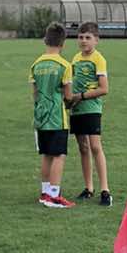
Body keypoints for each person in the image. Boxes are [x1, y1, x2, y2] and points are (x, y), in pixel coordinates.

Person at [31, 23, 75, 208]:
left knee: (46, 154)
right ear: (63, 43)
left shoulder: (36, 64)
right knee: (59, 155)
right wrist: (71, 102)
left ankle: (45, 192)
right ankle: (54, 195)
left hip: (41, 117)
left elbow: (35, 93)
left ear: (45, 40)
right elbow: (68, 96)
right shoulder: (64, 65)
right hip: (57, 117)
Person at [69, 22, 111, 206]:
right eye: (80, 37)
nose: (83, 41)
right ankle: (88, 188)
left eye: (88, 37)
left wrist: (81, 96)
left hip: (92, 108)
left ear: (96, 40)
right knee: (83, 147)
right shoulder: (75, 59)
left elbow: (104, 89)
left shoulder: (98, 59)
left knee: (95, 146)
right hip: (77, 109)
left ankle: (105, 190)